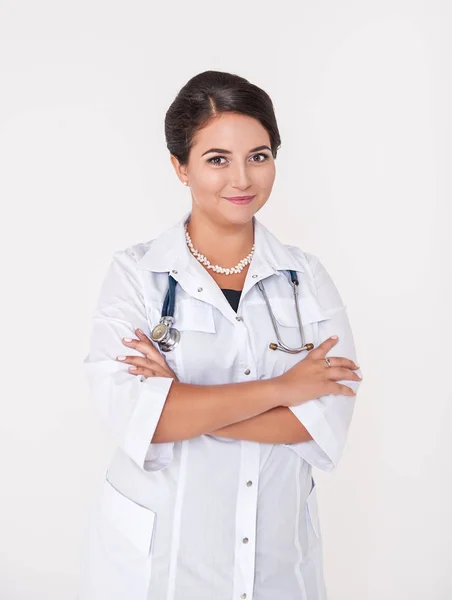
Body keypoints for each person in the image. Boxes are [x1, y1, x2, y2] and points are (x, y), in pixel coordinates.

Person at [78, 70, 363, 600]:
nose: (242, 179)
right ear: (179, 167)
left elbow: (324, 420)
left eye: (259, 156)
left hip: (278, 563)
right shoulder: (137, 275)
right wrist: (285, 389)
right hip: (159, 565)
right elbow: (137, 417)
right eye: (217, 159)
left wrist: (184, 404)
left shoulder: (307, 278)